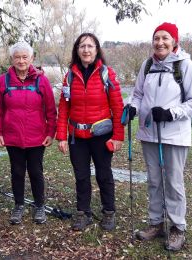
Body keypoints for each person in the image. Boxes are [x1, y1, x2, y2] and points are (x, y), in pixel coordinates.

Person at [127, 22, 192, 251]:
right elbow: (137, 94)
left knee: (173, 182)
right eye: (156, 38)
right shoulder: (147, 64)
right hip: (149, 133)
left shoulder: (185, 65)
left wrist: (171, 113)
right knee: (154, 181)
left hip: (175, 135)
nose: (160, 42)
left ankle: (178, 227)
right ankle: (156, 223)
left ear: (175, 42)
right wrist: (132, 107)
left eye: (165, 38)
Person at [56, 33, 124, 231]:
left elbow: (118, 107)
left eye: (90, 46)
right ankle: (83, 212)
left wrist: (118, 136)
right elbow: (64, 108)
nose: (86, 50)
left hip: (101, 135)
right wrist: (61, 136)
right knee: (81, 176)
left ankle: (109, 212)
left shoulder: (107, 74)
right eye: (82, 46)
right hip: (77, 137)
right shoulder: (69, 76)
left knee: (104, 174)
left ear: (97, 49)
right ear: (77, 50)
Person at [0, 41, 57, 225]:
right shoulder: (3, 81)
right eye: (17, 57)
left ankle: (39, 206)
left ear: (32, 58)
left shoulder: (41, 80)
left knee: (36, 172)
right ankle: (19, 205)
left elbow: (51, 111)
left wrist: (50, 132)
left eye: (24, 57)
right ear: (12, 59)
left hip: (37, 137)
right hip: (12, 137)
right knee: (17, 172)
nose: (21, 61)